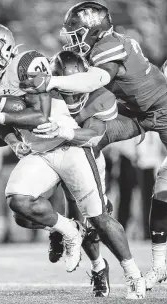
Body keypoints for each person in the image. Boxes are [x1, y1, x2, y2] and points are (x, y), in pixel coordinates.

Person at [0, 23, 146, 299]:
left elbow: (39, 117)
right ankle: (69, 230)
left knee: (98, 218)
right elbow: (7, 130)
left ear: (4, 48)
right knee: (19, 202)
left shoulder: (27, 62)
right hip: (41, 153)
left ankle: (131, 273)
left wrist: (2, 114)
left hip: (70, 146)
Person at [21, 0, 167, 291]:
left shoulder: (109, 46)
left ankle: (157, 263)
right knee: (83, 144)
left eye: (75, 31)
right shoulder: (97, 49)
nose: (72, 38)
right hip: (138, 116)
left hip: (161, 112)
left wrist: (51, 81)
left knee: (163, 190)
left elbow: (96, 79)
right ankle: (93, 205)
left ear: (92, 28)